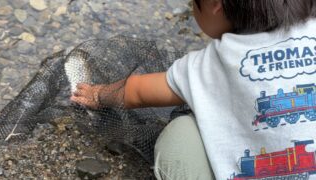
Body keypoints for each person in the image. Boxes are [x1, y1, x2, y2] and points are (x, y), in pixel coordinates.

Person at [71, 0, 316, 179]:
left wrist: (97, 94)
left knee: (180, 136)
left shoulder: (215, 63)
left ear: (214, 4)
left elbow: (137, 91)